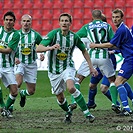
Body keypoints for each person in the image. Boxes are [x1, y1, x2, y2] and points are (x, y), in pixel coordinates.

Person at [36, 13, 98, 123]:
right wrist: (50, 47)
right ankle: (68, 111)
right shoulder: (54, 34)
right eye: (62, 21)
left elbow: (84, 51)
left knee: (71, 87)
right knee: (60, 98)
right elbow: (39, 48)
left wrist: (91, 67)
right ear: (59, 23)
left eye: (66, 21)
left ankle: (87, 114)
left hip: (67, 67)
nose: (64, 22)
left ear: (70, 23)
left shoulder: (74, 37)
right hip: (53, 71)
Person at [73, 9, 122, 114]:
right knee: (112, 81)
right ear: (101, 16)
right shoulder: (107, 26)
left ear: (92, 17)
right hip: (104, 57)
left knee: (78, 79)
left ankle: (73, 101)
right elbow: (113, 42)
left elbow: (75, 36)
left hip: (91, 57)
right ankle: (114, 103)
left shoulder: (87, 26)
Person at [90, 8, 133, 116]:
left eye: (117, 17)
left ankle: (127, 109)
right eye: (113, 17)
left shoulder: (121, 30)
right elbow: (119, 45)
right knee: (120, 81)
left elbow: (110, 44)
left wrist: (96, 45)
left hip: (130, 59)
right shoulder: (123, 29)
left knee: (118, 82)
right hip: (129, 58)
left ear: (122, 18)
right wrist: (114, 51)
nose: (115, 19)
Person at [13, 14, 44, 109]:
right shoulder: (16, 35)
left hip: (31, 64)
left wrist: (42, 53)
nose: (26, 23)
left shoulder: (35, 35)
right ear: (21, 22)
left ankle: (23, 93)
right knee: (17, 83)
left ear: (31, 23)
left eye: (28, 21)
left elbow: (43, 45)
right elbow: (10, 48)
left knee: (31, 91)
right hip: (20, 63)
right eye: (24, 21)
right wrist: (14, 57)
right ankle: (9, 107)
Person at [0, 11, 20, 118]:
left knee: (14, 91)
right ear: (3, 21)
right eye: (6, 20)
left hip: (8, 66)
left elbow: (8, 50)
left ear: (14, 22)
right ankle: (2, 105)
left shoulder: (16, 35)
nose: (8, 22)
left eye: (11, 20)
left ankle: (5, 109)